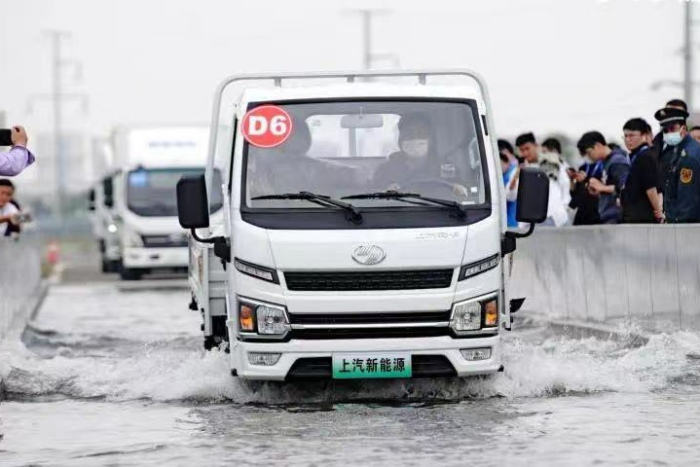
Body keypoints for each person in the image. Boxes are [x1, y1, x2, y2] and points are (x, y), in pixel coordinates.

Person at [372, 113, 469, 198]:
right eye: (409, 135)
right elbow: (373, 195)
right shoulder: (387, 169)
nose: (415, 138)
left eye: (421, 134)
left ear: (431, 139)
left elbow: (466, 192)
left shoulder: (446, 167)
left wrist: (458, 188)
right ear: (400, 140)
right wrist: (387, 190)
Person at [511, 132, 570, 226]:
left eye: (527, 148)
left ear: (536, 146)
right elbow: (511, 195)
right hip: (530, 221)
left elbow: (565, 184)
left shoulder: (553, 163)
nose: (525, 153)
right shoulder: (519, 169)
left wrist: (563, 206)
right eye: (522, 150)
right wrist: (516, 176)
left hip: (556, 216)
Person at [654, 106, 700, 223]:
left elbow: (687, 199)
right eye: (665, 130)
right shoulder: (678, 150)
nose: (669, 133)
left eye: (672, 128)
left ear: (683, 128)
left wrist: (679, 224)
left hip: (686, 225)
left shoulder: (688, 155)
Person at [576, 131, 630, 224]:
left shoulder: (617, 161)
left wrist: (602, 187)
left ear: (597, 145)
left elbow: (626, 187)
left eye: (589, 153)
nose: (589, 157)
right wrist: (599, 191)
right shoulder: (606, 162)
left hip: (615, 216)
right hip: (607, 213)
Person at [620, 118, 664, 223]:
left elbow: (652, 188)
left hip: (642, 218)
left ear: (644, 136)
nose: (627, 139)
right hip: (632, 215)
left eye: (631, 136)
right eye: (625, 136)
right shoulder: (634, 156)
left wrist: (659, 213)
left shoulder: (644, 156)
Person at [568, 158, 603, 225]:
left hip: (593, 212)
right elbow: (573, 193)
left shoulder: (601, 167)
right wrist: (572, 179)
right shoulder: (583, 169)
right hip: (581, 212)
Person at [498, 139, 518, 228]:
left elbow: (510, 196)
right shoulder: (505, 172)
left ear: (505, 153)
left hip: (513, 222)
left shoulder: (515, 171)